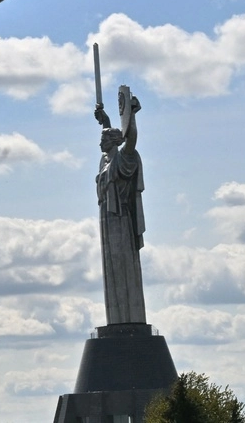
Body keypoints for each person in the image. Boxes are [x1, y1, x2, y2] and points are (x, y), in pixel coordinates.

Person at [94, 89, 147, 324]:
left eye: (104, 139)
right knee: (110, 268)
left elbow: (130, 140)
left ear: (114, 141)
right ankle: (115, 320)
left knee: (123, 266)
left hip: (120, 220)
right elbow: (111, 134)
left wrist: (132, 115)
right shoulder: (106, 161)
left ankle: (128, 319)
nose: (100, 142)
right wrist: (104, 120)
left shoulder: (123, 158)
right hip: (106, 220)